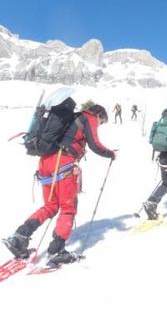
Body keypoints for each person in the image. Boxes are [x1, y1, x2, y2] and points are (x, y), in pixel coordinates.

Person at [3, 102, 116, 267]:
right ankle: (56, 251)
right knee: (68, 207)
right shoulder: (89, 118)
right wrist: (111, 153)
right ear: (99, 115)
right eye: (102, 122)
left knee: (51, 205)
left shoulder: (72, 117)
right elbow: (94, 144)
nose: (100, 125)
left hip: (45, 163)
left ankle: (19, 237)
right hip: (63, 164)